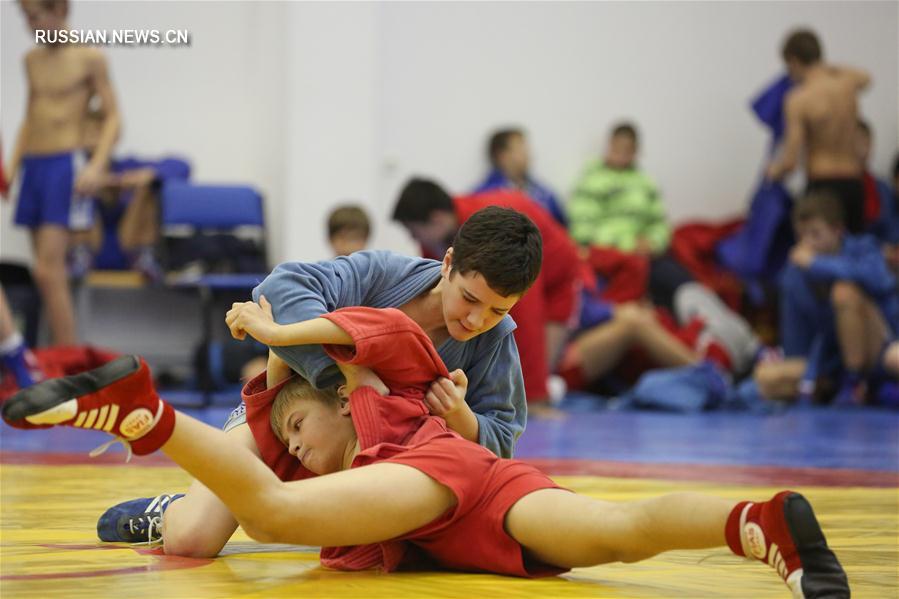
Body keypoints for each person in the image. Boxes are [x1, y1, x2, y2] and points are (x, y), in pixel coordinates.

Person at [1, 305, 850, 599]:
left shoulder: (377, 381)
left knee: (275, 509)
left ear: (335, 395)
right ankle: (759, 522)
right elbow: (274, 461)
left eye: (299, 431)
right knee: (623, 530)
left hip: (441, 475)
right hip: (490, 493)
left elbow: (374, 334)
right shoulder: (355, 458)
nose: (298, 447)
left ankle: (144, 413)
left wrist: (277, 335)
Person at [95, 206, 541, 556]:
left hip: (367, 460)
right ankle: (177, 508)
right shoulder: (385, 276)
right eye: (469, 298)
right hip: (293, 422)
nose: (477, 319)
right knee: (192, 539)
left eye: (498, 311)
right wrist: (346, 373)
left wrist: (462, 418)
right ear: (448, 264)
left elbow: (501, 446)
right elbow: (282, 287)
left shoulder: (495, 342)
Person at [392, 177, 580, 412]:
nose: (414, 240)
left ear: (437, 219)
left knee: (535, 372)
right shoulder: (447, 234)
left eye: (415, 232)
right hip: (520, 253)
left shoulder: (494, 242)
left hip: (557, 272)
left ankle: (538, 397)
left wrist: (534, 397)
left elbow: (527, 319)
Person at [5, 0, 120, 345]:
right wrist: (10, 169)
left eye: (37, 16)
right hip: (34, 167)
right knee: (44, 273)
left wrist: (97, 164)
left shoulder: (89, 58)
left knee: (48, 270)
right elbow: (31, 116)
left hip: (64, 165)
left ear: (60, 11)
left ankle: (69, 363)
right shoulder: (31, 60)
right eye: (25, 18)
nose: (30, 25)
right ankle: (53, 356)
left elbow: (113, 116)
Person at [778, 191, 898, 405]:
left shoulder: (863, 247)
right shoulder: (795, 273)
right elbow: (795, 343)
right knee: (767, 379)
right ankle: (855, 386)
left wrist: (817, 265)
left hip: (881, 346)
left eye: (815, 234)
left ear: (838, 230)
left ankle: (856, 382)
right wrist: (808, 376)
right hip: (832, 360)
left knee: (845, 292)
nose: (807, 244)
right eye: (801, 235)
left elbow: (879, 280)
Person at [765, 29, 870, 234]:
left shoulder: (798, 99)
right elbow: (866, 77)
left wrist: (773, 171)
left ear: (793, 61)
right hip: (854, 181)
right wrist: (825, 67)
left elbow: (790, 161)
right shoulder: (847, 84)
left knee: (818, 256)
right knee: (855, 251)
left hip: (824, 184)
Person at [472, 128, 567, 226]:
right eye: (520, 149)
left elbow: (561, 227)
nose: (527, 154)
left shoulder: (544, 193)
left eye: (527, 149)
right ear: (502, 156)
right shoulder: (483, 195)